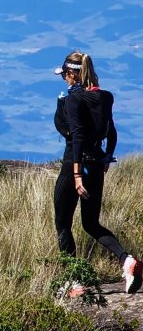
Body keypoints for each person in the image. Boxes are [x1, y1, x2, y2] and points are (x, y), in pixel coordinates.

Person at [53, 50, 142, 294]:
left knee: (63, 223)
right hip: (97, 165)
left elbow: (78, 135)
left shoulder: (73, 100)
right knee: (91, 223)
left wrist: (76, 173)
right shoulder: (104, 97)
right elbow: (111, 131)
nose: (64, 79)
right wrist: (105, 158)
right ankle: (126, 261)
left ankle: (73, 281)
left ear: (72, 73)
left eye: (65, 75)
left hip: (75, 164)